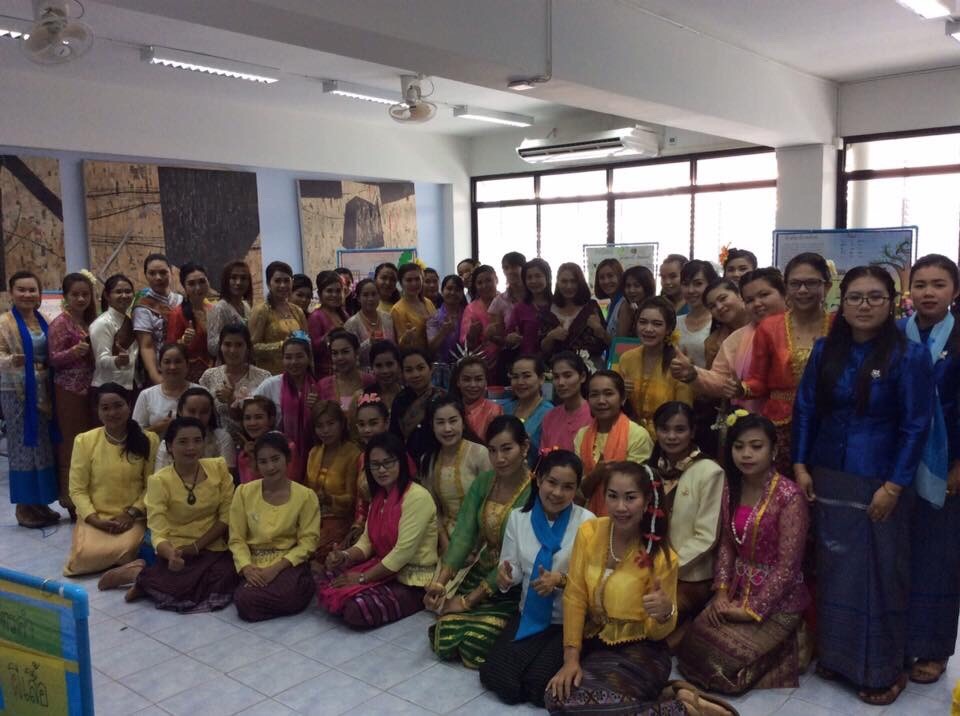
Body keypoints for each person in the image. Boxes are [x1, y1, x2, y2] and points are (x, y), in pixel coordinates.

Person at [793, 266, 933, 706]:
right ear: (842, 302)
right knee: (836, 570)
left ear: (891, 303)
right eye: (855, 297)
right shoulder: (825, 350)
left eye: (875, 297)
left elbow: (916, 425)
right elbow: (805, 408)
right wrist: (800, 463)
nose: (864, 305)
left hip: (880, 479)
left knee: (881, 574)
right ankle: (837, 657)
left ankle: (883, 669)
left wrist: (894, 485)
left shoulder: (909, 356)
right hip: (829, 472)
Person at [678, 412, 811, 694]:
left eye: (756, 446)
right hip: (737, 591)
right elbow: (728, 544)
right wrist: (721, 593)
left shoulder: (790, 496)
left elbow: (788, 567)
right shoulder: (732, 487)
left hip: (778, 601)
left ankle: (792, 645)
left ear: (773, 451)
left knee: (722, 663)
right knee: (692, 647)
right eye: (739, 447)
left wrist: (752, 611)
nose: (746, 454)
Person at [544, 461, 685, 715]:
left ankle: (682, 709)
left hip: (642, 650)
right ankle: (671, 702)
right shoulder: (590, 533)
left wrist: (665, 612)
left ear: (647, 501)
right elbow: (575, 596)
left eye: (630, 498)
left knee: (577, 705)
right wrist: (571, 659)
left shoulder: (661, 557)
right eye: (612, 496)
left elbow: (657, 633)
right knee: (554, 697)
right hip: (594, 642)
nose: (620, 507)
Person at [480, 449, 595, 708]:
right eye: (552, 482)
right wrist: (506, 577)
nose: (557, 493)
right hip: (529, 615)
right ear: (538, 479)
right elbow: (511, 568)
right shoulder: (518, 518)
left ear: (576, 489)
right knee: (497, 678)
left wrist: (561, 580)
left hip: (567, 622)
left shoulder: (587, 523)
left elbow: (594, 581)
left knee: (539, 687)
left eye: (568, 487)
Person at [425, 416, 533, 668]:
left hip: (512, 583)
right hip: (482, 570)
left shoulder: (534, 491)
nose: (499, 458)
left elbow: (516, 558)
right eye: (492, 451)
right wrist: (440, 583)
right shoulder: (485, 482)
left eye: (507, 449)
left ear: (525, 447)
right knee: (445, 636)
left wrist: (467, 601)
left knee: (473, 643)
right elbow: (464, 534)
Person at [901, 254, 960, 684]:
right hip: (897, 461)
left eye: (938, 285)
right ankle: (902, 640)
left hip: (947, 463)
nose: (928, 293)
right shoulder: (895, 333)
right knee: (901, 557)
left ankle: (935, 648)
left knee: (939, 560)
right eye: (920, 284)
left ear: (954, 291)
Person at [318, 432, 439, 628]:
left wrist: (362, 578)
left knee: (356, 608)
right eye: (375, 465)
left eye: (388, 462)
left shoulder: (417, 497)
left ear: (401, 462)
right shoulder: (379, 497)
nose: (381, 470)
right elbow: (367, 542)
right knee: (328, 576)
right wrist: (344, 556)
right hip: (383, 568)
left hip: (411, 580)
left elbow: (402, 553)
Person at [117, 418, 238, 611]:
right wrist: (171, 554)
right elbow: (158, 531)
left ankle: (145, 580)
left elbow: (226, 516)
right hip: (177, 548)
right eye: (183, 442)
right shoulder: (159, 481)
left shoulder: (218, 467)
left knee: (227, 575)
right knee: (181, 583)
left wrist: (196, 547)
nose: (191, 447)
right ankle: (139, 577)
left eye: (197, 441)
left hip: (211, 544)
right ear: (169, 447)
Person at [742, 252, 833, 476]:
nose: (802, 290)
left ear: (827, 286)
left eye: (811, 283)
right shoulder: (769, 327)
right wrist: (739, 388)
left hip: (827, 422)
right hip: (780, 424)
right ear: (786, 287)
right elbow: (758, 381)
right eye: (795, 284)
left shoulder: (840, 325)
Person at [62, 384, 158, 576]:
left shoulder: (149, 439)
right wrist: (94, 519)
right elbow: (77, 489)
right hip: (96, 516)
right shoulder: (85, 441)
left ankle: (124, 566)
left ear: (129, 405)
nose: (112, 413)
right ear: (98, 412)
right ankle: (124, 566)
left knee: (128, 548)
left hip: (133, 517)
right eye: (105, 408)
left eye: (118, 406)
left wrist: (131, 514)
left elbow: (152, 486)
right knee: (81, 559)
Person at [646, 402, 723, 627]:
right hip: (648, 568)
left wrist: (666, 567)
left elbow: (706, 536)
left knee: (652, 621)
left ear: (692, 431)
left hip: (690, 576)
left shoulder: (709, 472)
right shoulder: (649, 470)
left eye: (680, 430)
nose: (671, 436)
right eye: (664, 429)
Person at [229, 432, 321, 622]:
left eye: (275, 459)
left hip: (288, 562)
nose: (270, 467)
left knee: (288, 594)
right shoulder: (244, 492)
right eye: (263, 462)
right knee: (245, 600)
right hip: (254, 562)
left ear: (287, 459)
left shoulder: (305, 496)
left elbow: (308, 542)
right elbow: (237, 538)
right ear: (256, 465)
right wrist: (247, 567)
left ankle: (296, 590)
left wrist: (276, 569)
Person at [671, 268, 787, 416]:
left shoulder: (804, 327)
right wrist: (693, 374)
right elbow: (722, 379)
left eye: (764, 295)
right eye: (750, 300)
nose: (757, 303)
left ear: (784, 292)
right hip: (754, 422)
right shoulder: (735, 339)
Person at [0, 271, 60, 527]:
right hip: (17, 392)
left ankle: (40, 502)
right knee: (23, 446)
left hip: (44, 391)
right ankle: (24, 507)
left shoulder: (44, 320)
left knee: (43, 447)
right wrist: (10, 361)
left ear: (39, 293)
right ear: (11, 293)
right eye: (21, 290)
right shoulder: (4, 323)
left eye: (32, 290)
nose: (27, 294)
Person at [49, 272, 97, 520]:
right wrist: (74, 352)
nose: (81, 299)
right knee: (71, 444)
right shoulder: (60, 323)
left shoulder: (90, 321)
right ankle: (70, 499)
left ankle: (91, 495)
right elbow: (53, 358)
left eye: (85, 294)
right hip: (68, 390)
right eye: (75, 294)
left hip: (90, 389)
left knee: (90, 443)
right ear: (66, 296)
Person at [575, 371, 653, 516]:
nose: (601, 401)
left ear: (622, 398)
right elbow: (578, 491)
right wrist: (596, 474)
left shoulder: (637, 435)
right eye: (594, 395)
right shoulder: (582, 435)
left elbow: (638, 487)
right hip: (587, 517)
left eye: (608, 394)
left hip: (626, 515)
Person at [420, 395, 491, 553]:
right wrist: (445, 543)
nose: (447, 429)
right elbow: (433, 509)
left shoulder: (479, 454)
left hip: (483, 540)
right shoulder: (428, 460)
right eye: (440, 422)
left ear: (463, 422)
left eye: (453, 421)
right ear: (432, 426)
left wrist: (473, 549)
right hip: (446, 539)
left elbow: (490, 504)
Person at [614, 297, 694, 436]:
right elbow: (615, 403)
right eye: (643, 322)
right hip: (629, 435)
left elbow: (684, 413)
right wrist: (621, 393)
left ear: (668, 329)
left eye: (657, 324)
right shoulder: (627, 359)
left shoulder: (679, 364)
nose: (648, 329)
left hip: (667, 438)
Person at [253, 334, 318, 481]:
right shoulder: (271, 385)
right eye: (288, 357)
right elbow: (251, 411)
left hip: (311, 454)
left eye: (299, 356)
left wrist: (317, 407)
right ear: (282, 359)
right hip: (276, 456)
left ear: (308, 358)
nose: (294, 362)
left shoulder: (317, 387)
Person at [304, 400, 361, 563]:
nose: (325, 430)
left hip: (341, 522)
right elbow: (306, 489)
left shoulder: (353, 453)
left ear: (342, 424)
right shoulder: (314, 452)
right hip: (313, 519)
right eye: (319, 426)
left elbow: (353, 499)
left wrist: (330, 499)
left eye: (330, 424)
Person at [199, 323, 270, 443]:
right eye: (227, 344)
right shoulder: (209, 376)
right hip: (218, 444)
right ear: (220, 346)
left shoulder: (263, 378)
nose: (232, 350)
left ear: (247, 347)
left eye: (239, 345)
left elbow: (267, 417)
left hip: (255, 443)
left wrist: (231, 399)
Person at [542, 263, 610, 368]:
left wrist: (598, 329)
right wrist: (551, 336)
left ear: (580, 283)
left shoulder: (591, 307)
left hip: (590, 369)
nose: (569, 286)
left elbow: (606, 343)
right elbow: (543, 349)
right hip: (556, 371)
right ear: (558, 283)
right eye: (564, 281)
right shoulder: (547, 310)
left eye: (573, 281)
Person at [154, 387, 236, 471]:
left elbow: (227, 474)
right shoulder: (167, 443)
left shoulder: (222, 438)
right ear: (180, 411)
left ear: (211, 413)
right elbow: (159, 476)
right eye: (191, 411)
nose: (197, 417)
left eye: (204, 412)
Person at [249, 261, 307, 375]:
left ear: (292, 282)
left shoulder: (297, 311)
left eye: (286, 280)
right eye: (277, 281)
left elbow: (306, 343)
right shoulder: (261, 310)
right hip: (271, 375)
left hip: (297, 373)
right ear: (268, 284)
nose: (282, 285)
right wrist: (281, 345)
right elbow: (251, 348)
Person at [133, 253, 182, 386]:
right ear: (145, 275)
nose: (158, 277)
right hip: (160, 370)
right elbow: (146, 346)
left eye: (163, 272)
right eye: (152, 273)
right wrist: (155, 376)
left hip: (183, 367)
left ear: (171, 272)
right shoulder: (143, 307)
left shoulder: (181, 301)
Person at [389, 348, 444, 465]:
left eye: (420, 368)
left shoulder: (443, 399)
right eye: (409, 370)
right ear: (402, 373)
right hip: (408, 463)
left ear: (431, 369)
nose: (415, 374)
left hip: (439, 461)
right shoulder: (400, 400)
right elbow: (395, 437)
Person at [132, 343, 198, 435]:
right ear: (159, 366)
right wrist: (156, 429)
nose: (172, 367)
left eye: (178, 361)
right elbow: (134, 434)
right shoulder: (147, 395)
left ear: (187, 365)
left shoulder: (199, 392)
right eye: (167, 362)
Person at [90, 273, 138, 392]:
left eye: (128, 291)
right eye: (118, 292)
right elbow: (100, 361)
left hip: (130, 384)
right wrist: (117, 361)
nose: (124, 295)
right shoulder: (102, 323)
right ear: (107, 295)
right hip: (108, 388)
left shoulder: (131, 320)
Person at [165, 262, 213, 382]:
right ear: (184, 287)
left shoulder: (213, 309)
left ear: (208, 282)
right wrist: (183, 341)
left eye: (202, 281)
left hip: (214, 373)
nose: (198, 288)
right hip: (189, 377)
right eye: (191, 284)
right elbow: (170, 350)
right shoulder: (178, 314)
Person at [504, 354, 554, 467]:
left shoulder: (550, 413)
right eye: (515, 377)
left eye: (526, 376)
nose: (520, 382)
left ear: (541, 379)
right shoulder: (505, 409)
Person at [236, 396, 296, 484]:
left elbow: (285, 484)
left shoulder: (287, 447)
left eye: (258, 417)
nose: (252, 423)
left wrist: (255, 461)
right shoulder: (244, 455)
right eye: (247, 418)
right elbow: (246, 488)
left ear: (271, 420)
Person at [541, 352, 592, 453]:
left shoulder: (594, 415)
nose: (561, 383)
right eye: (556, 377)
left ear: (582, 377)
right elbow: (543, 455)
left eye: (567, 376)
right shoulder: (550, 417)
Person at [505, 258, 553, 357]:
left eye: (538, 276)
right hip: (527, 362)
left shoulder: (558, 304)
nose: (533, 281)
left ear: (547, 278)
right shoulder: (520, 308)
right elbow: (509, 338)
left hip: (556, 361)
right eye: (529, 277)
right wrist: (511, 338)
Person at [317, 329, 374, 411]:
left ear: (356, 352)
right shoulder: (323, 386)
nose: (340, 357)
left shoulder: (370, 381)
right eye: (335, 353)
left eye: (345, 352)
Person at [343, 278, 395, 367]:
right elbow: (350, 354)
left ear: (379, 296)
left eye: (374, 294)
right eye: (365, 295)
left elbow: (394, 346)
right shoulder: (351, 324)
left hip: (389, 368)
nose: (370, 299)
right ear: (358, 298)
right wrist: (368, 343)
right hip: (364, 371)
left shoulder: (388, 318)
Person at [460, 264, 500, 381]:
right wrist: (472, 334)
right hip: (482, 366)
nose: (485, 286)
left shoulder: (507, 301)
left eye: (488, 280)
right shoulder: (471, 309)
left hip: (508, 362)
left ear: (496, 279)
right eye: (480, 283)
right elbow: (464, 343)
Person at [449, 354, 502, 441]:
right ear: (458, 382)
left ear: (486, 381)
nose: (473, 385)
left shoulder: (494, 411)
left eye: (478, 379)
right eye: (466, 379)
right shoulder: (450, 408)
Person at [426, 274, 467, 386]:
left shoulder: (468, 314)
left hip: (464, 368)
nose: (453, 292)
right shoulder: (434, 316)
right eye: (449, 288)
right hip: (441, 371)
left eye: (457, 290)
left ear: (462, 293)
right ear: (442, 290)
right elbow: (431, 348)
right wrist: (443, 331)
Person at [207, 260, 253, 359]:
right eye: (233, 278)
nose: (238, 282)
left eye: (243, 278)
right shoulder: (220, 308)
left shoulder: (246, 306)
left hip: (246, 362)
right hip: (227, 363)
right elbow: (212, 347)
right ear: (226, 280)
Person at [677, 260, 719, 368]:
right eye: (685, 284)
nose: (690, 290)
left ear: (710, 285)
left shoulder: (719, 323)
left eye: (698, 284)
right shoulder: (675, 322)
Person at [702, 278, 749, 371]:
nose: (719, 307)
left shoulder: (764, 321)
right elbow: (714, 377)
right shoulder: (713, 344)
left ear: (740, 295)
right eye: (712, 306)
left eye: (723, 298)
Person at [308, 270, 349, 377]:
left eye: (338, 291)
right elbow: (312, 349)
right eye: (329, 291)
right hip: (327, 374)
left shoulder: (343, 314)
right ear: (320, 294)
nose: (334, 295)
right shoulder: (316, 316)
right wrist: (327, 338)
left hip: (346, 370)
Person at [391, 262, 437, 353]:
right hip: (414, 357)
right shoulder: (397, 310)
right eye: (409, 280)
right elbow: (400, 345)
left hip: (434, 354)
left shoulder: (428, 302)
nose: (414, 283)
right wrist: (406, 338)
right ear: (401, 283)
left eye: (417, 279)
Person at [613, 265, 657, 340]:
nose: (631, 290)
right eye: (628, 286)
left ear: (647, 287)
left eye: (637, 286)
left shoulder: (656, 310)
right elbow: (620, 340)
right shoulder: (630, 308)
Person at [365, 340, 403, 412]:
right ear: (372, 368)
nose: (385, 371)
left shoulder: (409, 395)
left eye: (389, 364)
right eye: (378, 366)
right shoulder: (362, 397)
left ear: (398, 365)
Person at [593, 258, 624, 334]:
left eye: (610, 276)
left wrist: (598, 328)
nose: (606, 281)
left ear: (620, 277)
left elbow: (620, 341)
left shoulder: (624, 304)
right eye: (602, 277)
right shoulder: (611, 304)